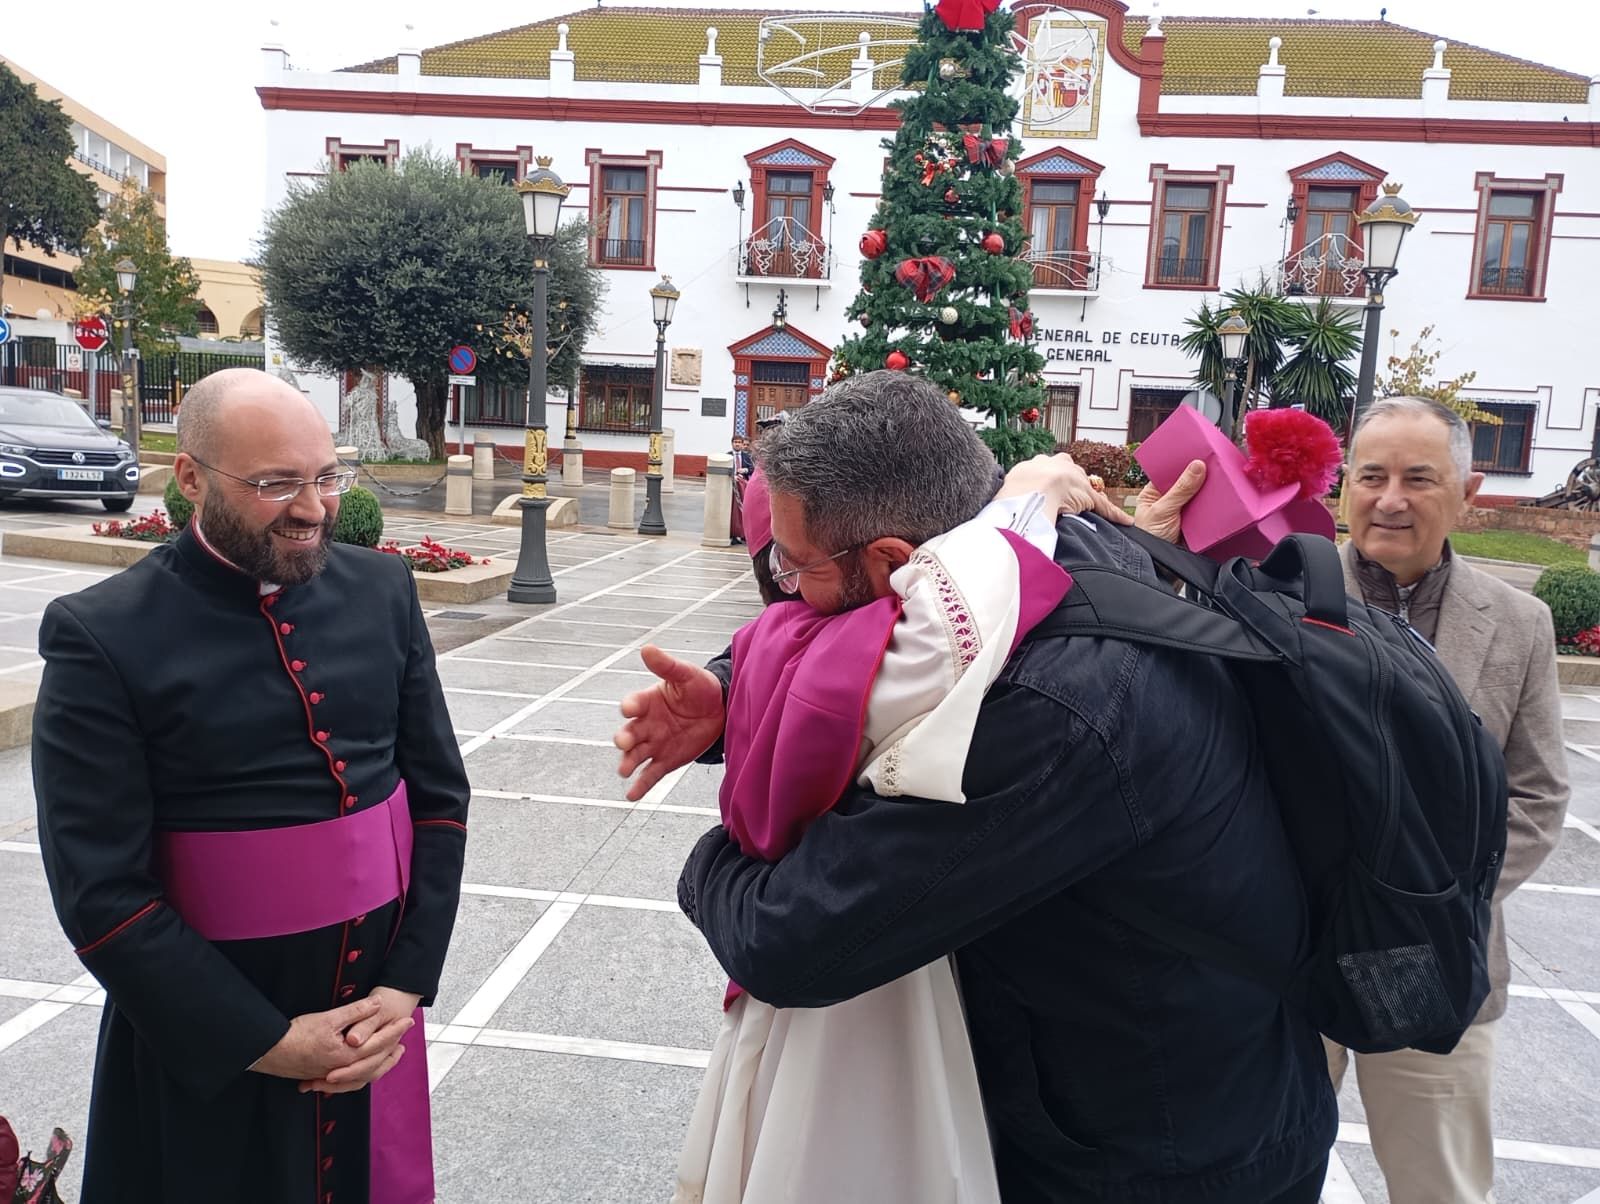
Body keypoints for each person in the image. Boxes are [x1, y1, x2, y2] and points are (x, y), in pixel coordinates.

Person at [618, 371, 1336, 1203]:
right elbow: (848, 651)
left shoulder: (1048, 702)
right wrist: (728, 698)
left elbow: (796, 938)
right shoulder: (1018, 568)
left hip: (1168, 1157)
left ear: (891, 560)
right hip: (1108, 1105)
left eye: (792, 561)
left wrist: (723, 852)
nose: (781, 586)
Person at [32, 368, 470, 1204]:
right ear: (190, 478)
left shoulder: (383, 590)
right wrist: (266, 1041)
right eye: (275, 484)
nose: (312, 508)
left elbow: (440, 804)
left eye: (326, 477)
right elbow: (102, 895)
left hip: (371, 1016)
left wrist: (405, 984)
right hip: (207, 1043)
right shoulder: (100, 635)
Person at [1323, 396, 1568, 1203]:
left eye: (1418, 478)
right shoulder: (1287, 595)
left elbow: (1536, 794)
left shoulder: (1519, 624)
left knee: (1440, 1186)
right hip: (1298, 944)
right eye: (1372, 476)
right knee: (1261, 1166)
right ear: (1346, 487)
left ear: (1468, 488)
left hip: (1436, 959)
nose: (1390, 498)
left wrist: (1441, 897)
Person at [729, 434, 755, 545]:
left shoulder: (746, 456)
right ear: (732, 443)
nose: (737, 444)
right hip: (731, 487)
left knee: (743, 510)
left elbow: (752, 469)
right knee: (733, 511)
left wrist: (745, 470)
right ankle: (733, 534)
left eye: (739, 442)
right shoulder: (728, 456)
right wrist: (732, 475)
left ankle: (744, 534)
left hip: (743, 486)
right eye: (735, 442)